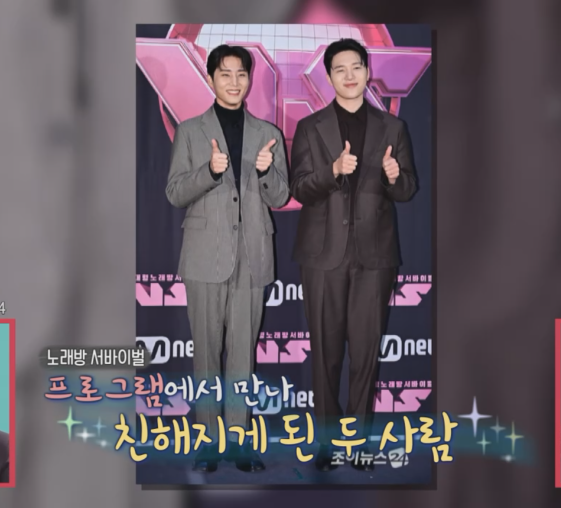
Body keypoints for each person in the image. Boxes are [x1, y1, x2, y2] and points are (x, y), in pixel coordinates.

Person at [290, 38, 417, 472]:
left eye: (356, 67)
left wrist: (395, 176)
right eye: (340, 69)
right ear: (329, 76)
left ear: (367, 71)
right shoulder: (310, 127)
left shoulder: (393, 128)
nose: (349, 75)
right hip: (322, 255)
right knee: (325, 355)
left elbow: (408, 189)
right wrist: (332, 172)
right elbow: (299, 188)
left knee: (366, 356)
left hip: (375, 256)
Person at [166, 44, 290, 473]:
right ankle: (207, 442)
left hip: (252, 256)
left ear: (249, 79)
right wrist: (211, 172)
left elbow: (281, 196)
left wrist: (266, 170)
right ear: (211, 78)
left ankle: (238, 441)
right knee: (206, 355)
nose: (234, 82)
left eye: (241, 74)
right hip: (204, 256)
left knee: (242, 356)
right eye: (225, 74)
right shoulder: (189, 131)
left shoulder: (268, 133)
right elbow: (175, 192)